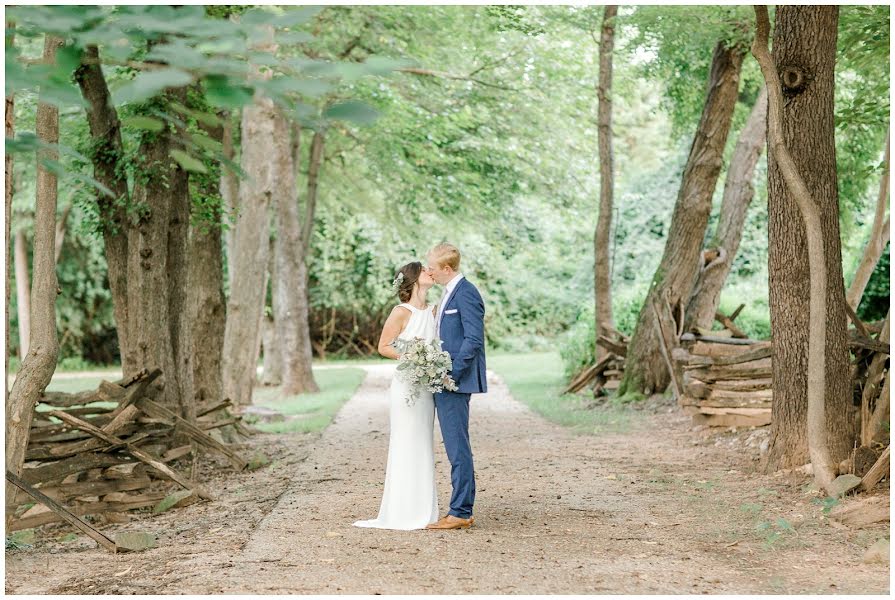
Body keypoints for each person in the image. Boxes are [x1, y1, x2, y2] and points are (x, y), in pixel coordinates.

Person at [353, 261, 440, 530]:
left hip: (426, 387)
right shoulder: (401, 312)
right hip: (406, 386)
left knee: (424, 442)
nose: (431, 271)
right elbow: (383, 346)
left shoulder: (435, 310)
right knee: (405, 442)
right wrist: (413, 356)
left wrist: (431, 362)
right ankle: (401, 510)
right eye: (425, 270)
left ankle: (424, 508)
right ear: (414, 279)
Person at [424, 243, 486, 530]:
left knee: (457, 446)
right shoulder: (448, 293)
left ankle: (460, 511)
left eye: (433, 269)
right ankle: (461, 508)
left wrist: (452, 375)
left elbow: (473, 340)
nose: (429, 273)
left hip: (454, 383)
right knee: (453, 445)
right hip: (444, 380)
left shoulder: (467, 293)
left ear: (447, 269)